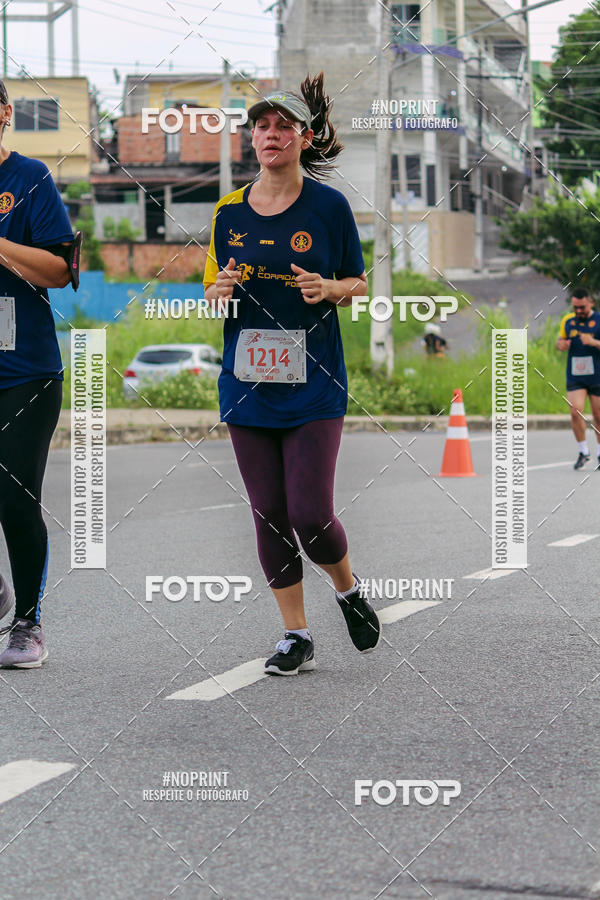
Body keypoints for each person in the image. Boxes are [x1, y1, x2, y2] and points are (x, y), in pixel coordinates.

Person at [203, 74, 382, 675]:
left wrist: (328, 288)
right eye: (261, 125)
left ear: (305, 137)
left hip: (314, 382)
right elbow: (210, 289)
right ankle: (296, 634)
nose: (271, 134)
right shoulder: (228, 211)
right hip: (246, 381)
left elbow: (359, 284)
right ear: (250, 137)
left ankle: (348, 589)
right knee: (269, 515)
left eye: (284, 126)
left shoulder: (328, 207)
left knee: (310, 513)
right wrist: (218, 289)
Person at [0, 78, 78, 666]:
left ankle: (27, 624)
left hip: (23, 368)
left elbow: (57, 268)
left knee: (13, 496)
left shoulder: (30, 180)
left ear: (4, 115)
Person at [556, 288, 600, 470]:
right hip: (576, 374)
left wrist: (594, 342)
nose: (579, 311)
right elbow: (559, 342)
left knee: (598, 416)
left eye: (582, 307)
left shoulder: (598, 320)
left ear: (590, 303)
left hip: (597, 374)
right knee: (575, 412)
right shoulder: (568, 320)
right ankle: (583, 451)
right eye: (575, 307)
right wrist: (562, 345)